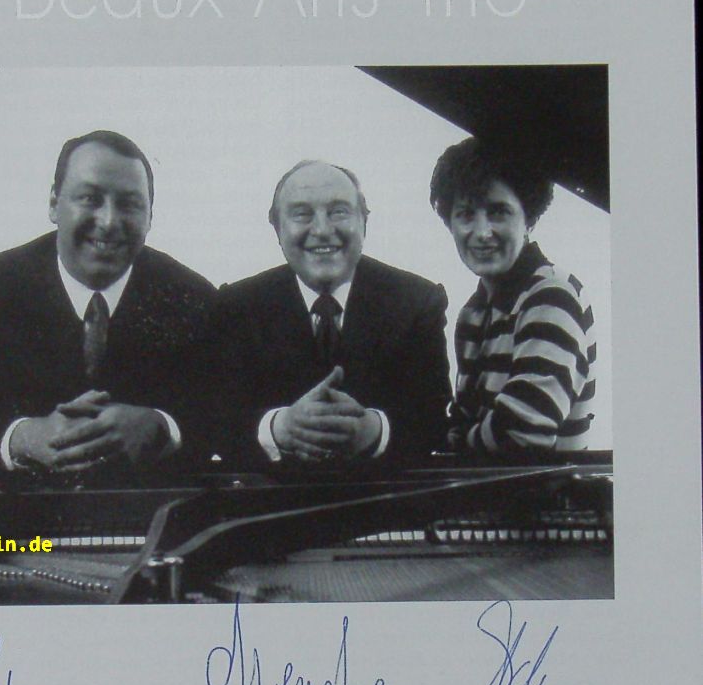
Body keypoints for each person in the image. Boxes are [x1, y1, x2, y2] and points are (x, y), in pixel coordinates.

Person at [0, 130, 216, 482]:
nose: (109, 221)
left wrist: (161, 427)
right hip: (23, 509)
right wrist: (25, 438)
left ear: (150, 217)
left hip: (146, 508)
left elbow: (214, 421)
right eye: (89, 198)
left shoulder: (193, 297)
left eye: (129, 204)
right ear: (54, 204)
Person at [204, 159, 451, 469]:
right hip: (274, 495)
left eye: (338, 212)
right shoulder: (237, 306)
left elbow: (433, 418)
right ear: (277, 228)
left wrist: (372, 431)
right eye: (302, 214)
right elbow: (218, 422)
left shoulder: (417, 301)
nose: (322, 230)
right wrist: (279, 429)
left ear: (363, 222)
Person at [430, 136, 596, 456]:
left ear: (528, 219)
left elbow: (523, 433)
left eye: (498, 212)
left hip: (550, 488)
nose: (482, 233)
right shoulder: (473, 312)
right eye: (466, 214)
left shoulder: (551, 295)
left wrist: (453, 443)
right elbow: (463, 420)